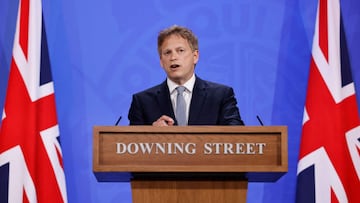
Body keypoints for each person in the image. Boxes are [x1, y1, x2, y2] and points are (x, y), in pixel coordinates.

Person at [128, 25, 244, 126]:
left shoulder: (221, 96)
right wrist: (149, 134)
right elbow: (130, 146)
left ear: (195, 56)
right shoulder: (142, 102)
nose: (173, 57)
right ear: (161, 61)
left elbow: (237, 138)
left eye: (180, 50)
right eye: (167, 52)